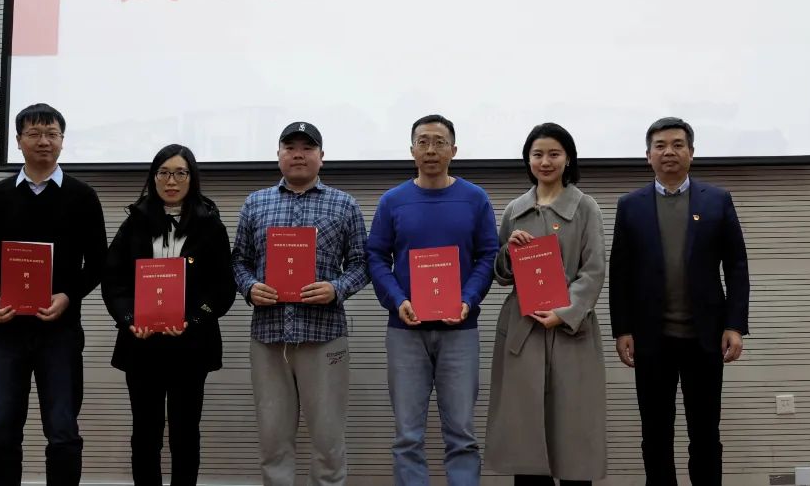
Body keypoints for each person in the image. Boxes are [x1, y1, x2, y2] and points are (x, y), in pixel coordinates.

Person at [0, 103, 107, 486]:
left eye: (52, 134)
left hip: (60, 332)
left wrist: (68, 296)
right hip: (5, 333)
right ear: (18, 140)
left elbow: (98, 263)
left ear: (62, 140)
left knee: (63, 430)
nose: (44, 141)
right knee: (3, 430)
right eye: (34, 133)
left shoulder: (83, 197)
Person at [609, 116, 750, 486]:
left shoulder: (717, 200)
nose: (668, 152)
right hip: (651, 339)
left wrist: (735, 325)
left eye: (677, 145)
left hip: (706, 338)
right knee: (655, 434)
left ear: (691, 152)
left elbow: (737, 266)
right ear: (648, 156)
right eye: (660, 146)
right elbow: (620, 273)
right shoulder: (630, 205)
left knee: (705, 433)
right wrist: (622, 330)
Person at [231, 122, 369, 486]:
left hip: (324, 336)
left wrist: (336, 288)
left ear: (321, 157)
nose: (298, 154)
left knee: (328, 440)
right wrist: (250, 287)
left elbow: (362, 264)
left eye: (307, 148)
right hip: (269, 337)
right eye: (290, 147)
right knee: (273, 440)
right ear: (278, 155)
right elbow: (238, 261)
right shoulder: (255, 203)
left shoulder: (345, 204)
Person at [366, 114, 500, 486]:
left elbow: (488, 255)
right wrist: (397, 300)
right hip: (405, 331)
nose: (430, 150)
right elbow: (376, 256)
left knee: (462, 435)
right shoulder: (393, 201)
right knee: (407, 436)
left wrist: (468, 300)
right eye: (423, 142)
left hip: (461, 330)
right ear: (411, 150)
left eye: (439, 142)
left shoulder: (475, 199)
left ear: (453, 150)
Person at [101, 144, 236, 486]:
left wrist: (193, 320)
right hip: (141, 345)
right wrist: (130, 318)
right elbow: (113, 282)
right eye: (163, 173)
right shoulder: (134, 223)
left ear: (192, 178)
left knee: (185, 433)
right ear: (153, 177)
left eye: (180, 173)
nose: (171, 181)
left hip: (191, 346)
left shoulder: (210, 225)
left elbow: (222, 288)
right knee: (145, 434)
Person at [485, 123, 606, 486]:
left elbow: (594, 270)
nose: (545, 161)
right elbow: (501, 273)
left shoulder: (586, 207)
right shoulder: (514, 210)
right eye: (537, 154)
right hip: (523, 330)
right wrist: (509, 252)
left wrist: (565, 313)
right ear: (528, 160)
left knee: (573, 433)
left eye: (554, 153)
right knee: (526, 435)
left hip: (570, 330)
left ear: (568, 159)